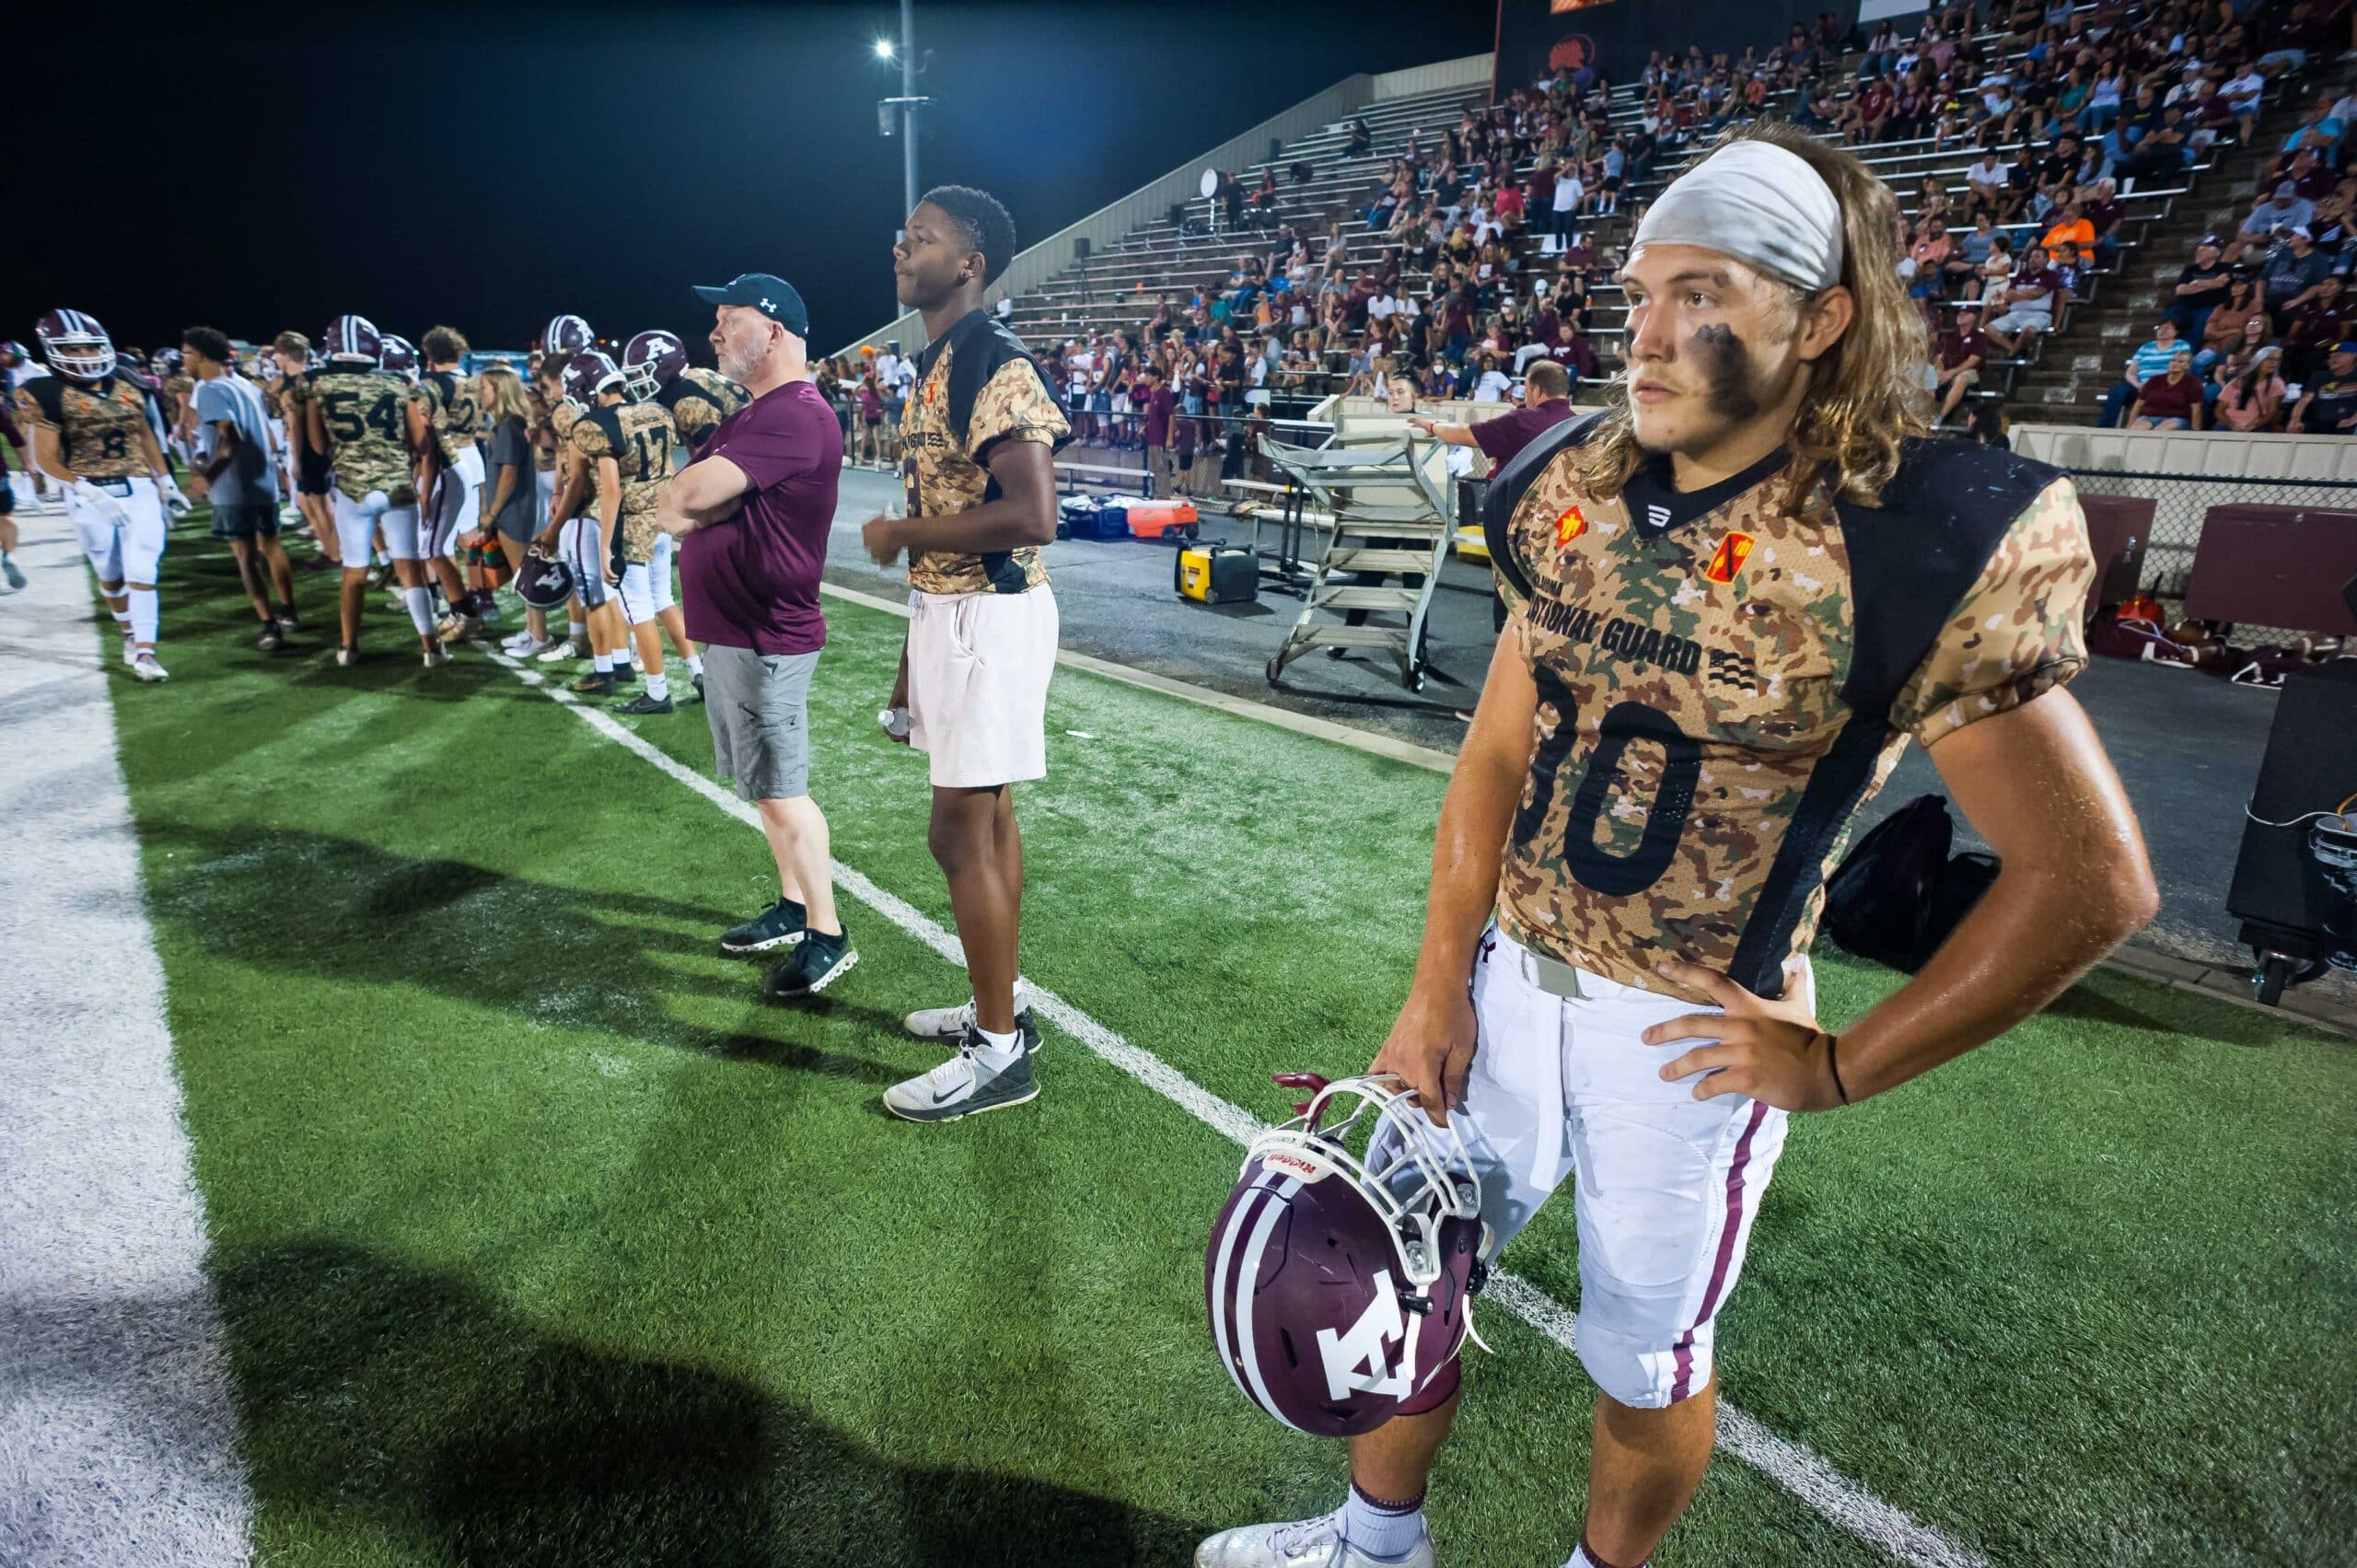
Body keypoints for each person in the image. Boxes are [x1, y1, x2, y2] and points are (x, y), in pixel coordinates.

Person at [1196, 123, 2156, 1568]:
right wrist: (1433, 981)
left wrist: (1839, 1066)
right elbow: (1497, 758)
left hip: (1692, 1036)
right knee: (1394, 1261)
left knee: (1643, 1359)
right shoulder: (1573, 483)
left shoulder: (1904, 535)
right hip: (1510, 978)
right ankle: (1374, 1542)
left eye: (1703, 292)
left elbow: (2091, 880)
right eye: (1642, 291)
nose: (1646, 332)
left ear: (1820, 319)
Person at [861, 186, 1069, 1122]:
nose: (903, 246)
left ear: (971, 263)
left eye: (925, 236)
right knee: (988, 822)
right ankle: (1003, 1002)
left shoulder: (991, 352)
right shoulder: (937, 355)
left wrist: (904, 527)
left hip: (992, 612)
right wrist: (910, 656)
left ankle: (998, 1054)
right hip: (954, 615)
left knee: (955, 833)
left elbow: (1034, 513)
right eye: (904, 234)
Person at [656, 273, 853, 998]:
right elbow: (684, 507)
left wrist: (700, 506)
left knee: (781, 789)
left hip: (768, 631)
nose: (714, 334)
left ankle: (827, 934)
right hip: (737, 629)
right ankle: (793, 904)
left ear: (772, 330)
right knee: (762, 788)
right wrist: (700, 507)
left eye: (728, 319)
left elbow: (679, 501)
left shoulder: (794, 413)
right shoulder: (755, 413)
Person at [19, 308, 190, 682]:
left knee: (143, 568)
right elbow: (44, 459)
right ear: (53, 350)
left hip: (138, 485)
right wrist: (86, 491)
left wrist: (168, 482)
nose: (84, 357)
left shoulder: (129, 382)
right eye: (74, 350)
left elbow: (143, 434)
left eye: (89, 348)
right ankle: (129, 633)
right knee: (110, 574)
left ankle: (146, 652)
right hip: (85, 491)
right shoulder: (43, 392)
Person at [306, 315, 438, 668]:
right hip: (397, 487)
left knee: (354, 571)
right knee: (410, 569)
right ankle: (432, 648)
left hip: (351, 489)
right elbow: (421, 442)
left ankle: (348, 646)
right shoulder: (398, 383)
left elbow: (318, 446)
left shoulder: (319, 387)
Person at [181, 326, 294, 648]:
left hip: (234, 485)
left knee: (246, 558)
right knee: (272, 546)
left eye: (187, 354)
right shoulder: (244, 384)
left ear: (200, 355)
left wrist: (207, 478)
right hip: (264, 480)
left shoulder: (208, 389)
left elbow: (231, 439)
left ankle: (269, 625)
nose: (184, 360)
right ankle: (289, 611)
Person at [412, 326, 488, 641]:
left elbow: (427, 438)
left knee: (434, 541)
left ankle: (460, 607)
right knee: (469, 536)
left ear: (430, 356)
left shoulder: (430, 384)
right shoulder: (472, 381)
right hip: (473, 454)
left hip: (448, 458)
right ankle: (481, 595)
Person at [477, 364, 556, 656]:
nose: (479, 393)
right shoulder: (508, 423)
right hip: (514, 508)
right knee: (522, 574)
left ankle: (540, 635)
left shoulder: (509, 425)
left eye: (484, 387)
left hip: (513, 510)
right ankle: (531, 630)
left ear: (499, 390)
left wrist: (491, 513)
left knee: (524, 575)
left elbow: (508, 475)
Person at [1933, 302, 1990, 425]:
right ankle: (1922, 413)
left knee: (1961, 378)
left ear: (1973, 316)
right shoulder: (1948, 336)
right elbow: (1938, 357)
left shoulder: (1979, 337)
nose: (1961, 315)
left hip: (1968, 371)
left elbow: (1972, 361)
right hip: (1946, 370)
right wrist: (1939, 370)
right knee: (1924, 374)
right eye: (1960, 313)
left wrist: (1950, 373)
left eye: (1965, 314)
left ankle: (1940, 416)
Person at [2287, 340, 2357, 433]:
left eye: (2338, 355)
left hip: (2350, 425)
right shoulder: (2319, 376)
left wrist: (2353, 419)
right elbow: (2304, 400)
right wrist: (2295, 420)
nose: (2332, 359)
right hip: (2321, 424)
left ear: (2353, 356)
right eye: (2330, 356)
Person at [2127, 347, 2204, 428]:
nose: (2175, 363)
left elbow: (2196, 409)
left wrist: (2195, 431)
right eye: (2173, 360)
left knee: (2163, 429)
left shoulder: (2193, 382)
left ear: (2187, 366)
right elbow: (2138, 404)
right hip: (2149, 417)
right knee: (2138, 427)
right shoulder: (2154, 380)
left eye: (2180, 361)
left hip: (2177, 418)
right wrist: (2129, 427)